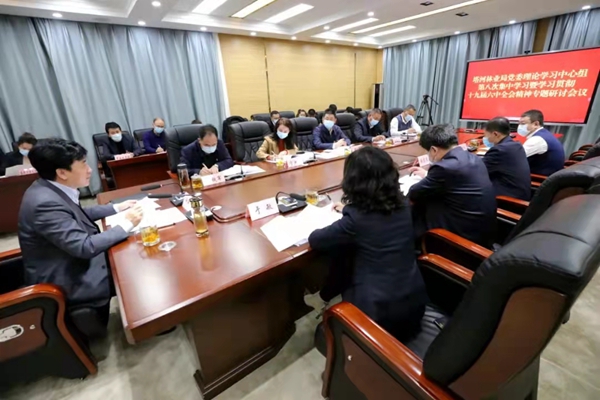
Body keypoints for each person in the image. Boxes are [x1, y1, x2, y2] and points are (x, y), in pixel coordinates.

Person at [18, 139, 143, 337]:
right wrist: (127, 224)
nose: (89, 170)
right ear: (62, 173)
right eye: (83, 164)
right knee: (135, 262)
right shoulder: (44, 203)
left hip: (68, 258)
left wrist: (116, 208)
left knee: (132, 248)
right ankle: (148, 321)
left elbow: (77, 214)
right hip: (65, 276)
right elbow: (84, 247)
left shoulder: (49, 187)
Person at [307, 147, 428, 339]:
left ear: (353, 181)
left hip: (377, 317)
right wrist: (348, 210)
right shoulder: (404, 204)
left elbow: (316, 240)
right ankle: (325, 294)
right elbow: (375, 217)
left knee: (343, 253)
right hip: (414, 302)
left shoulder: (356, 220)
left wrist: (349, 213)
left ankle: (324, 295)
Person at [408, 124, 497, 247]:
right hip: (481, 232)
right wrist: (428, 175)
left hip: (460, 240)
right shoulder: (473, 158)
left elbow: (414, 192)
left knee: (414, 208)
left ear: (433, 150)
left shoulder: (444, 167)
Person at [482, 117, 531, 200]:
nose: (485, 138)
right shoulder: (516, 145)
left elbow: (478, 169)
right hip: (519, 193)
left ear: (495, 134)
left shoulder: (499, 150)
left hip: (507, 199)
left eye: (486, 135)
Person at [518, 110, 565, 176]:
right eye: (519, 123)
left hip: (540, 178)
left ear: (536, 124)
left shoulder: (537, 139)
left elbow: (515, 157)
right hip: (550, 174)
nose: (519, 126)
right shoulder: (544, 134)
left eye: (523, 124)